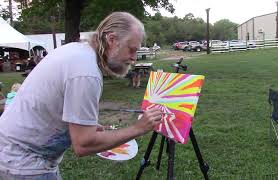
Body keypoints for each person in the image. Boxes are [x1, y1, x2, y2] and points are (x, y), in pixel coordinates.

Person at [0, 12, 162, 179]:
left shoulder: (76, 51)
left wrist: (81, 126)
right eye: (131, 49)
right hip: (23, 163)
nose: (134, 58)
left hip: (9, 151)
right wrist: (138, 128)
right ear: (112, 40)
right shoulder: (87, 73)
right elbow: (83, 145)